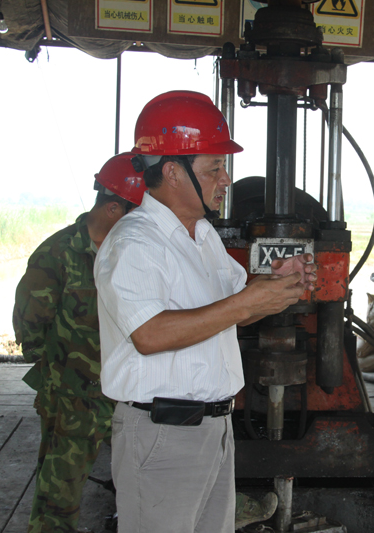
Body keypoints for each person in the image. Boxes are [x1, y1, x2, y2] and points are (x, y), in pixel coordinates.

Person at [94, 90, 317, 533]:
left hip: (213, 428)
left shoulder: (202, 235)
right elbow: (149, 335)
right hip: (163, 434)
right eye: (214, 168)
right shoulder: (134, 242)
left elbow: (236, 310)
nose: (226, 179)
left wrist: (273, 287)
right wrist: (247, 301)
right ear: (172, 172)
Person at [14, 153, 147, 533]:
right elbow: (30, 322)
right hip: (73, 398)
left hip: (127, 392)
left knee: (147, 482)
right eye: (137, 214)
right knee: (59, 497)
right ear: (112, 208)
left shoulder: (131, 252)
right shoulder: (58, 254)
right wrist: (56, 375)